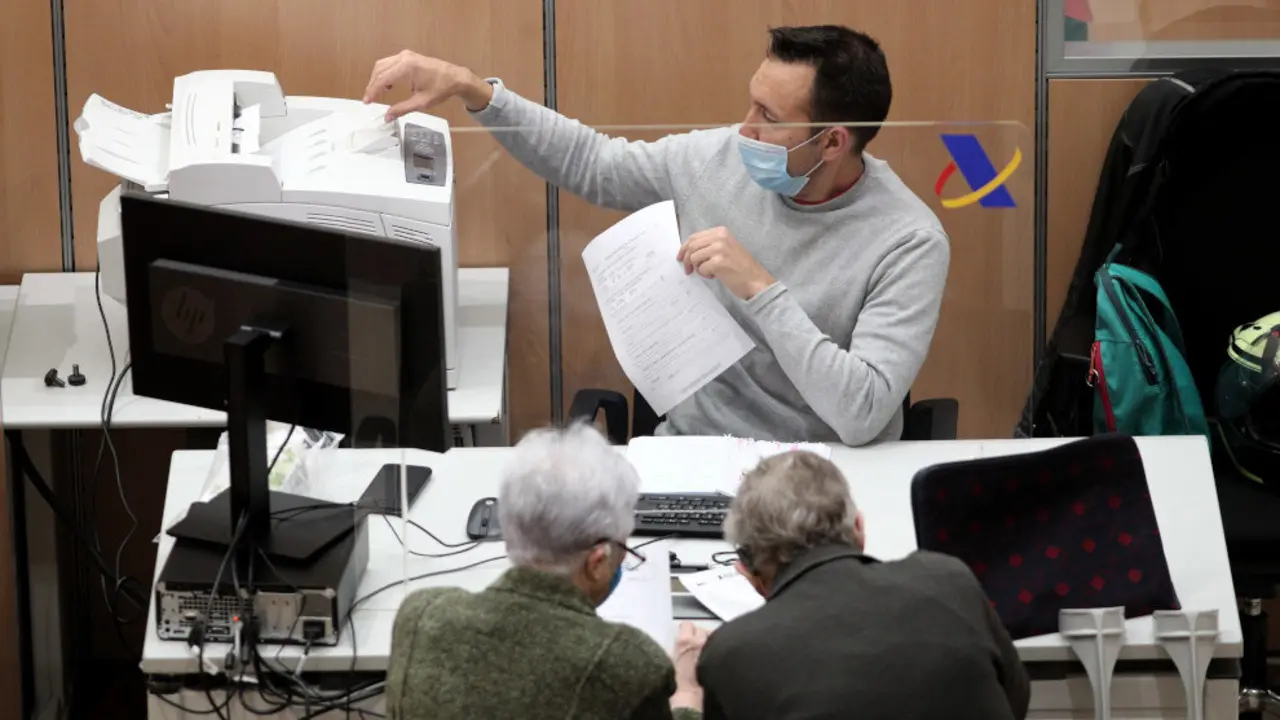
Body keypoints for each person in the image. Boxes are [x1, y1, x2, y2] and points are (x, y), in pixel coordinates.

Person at [363, 25, 950, 447]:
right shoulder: (720, 158)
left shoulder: (908, 240)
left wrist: (761, 289)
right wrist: (475, 90)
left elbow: (863, 413)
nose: (743, 127)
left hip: (822, 474)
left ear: (832, 143)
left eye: (770, 118)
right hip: (694, 453)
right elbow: (594, 163)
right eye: (752, 102)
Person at [385, 423, 706, 720]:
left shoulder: (420, 615)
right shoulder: (629, 664)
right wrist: (688, 694)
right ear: (596, 563)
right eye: (624, 550)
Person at [697, 451, 1030, 720]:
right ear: (859, 528)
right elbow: (1016, 697)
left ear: (750, 572)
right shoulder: (949, 580)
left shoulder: (731, 654)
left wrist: (685, 697)